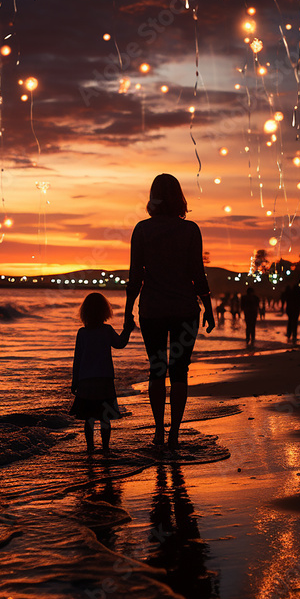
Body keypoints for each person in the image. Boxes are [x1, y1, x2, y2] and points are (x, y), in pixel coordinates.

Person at [124, 173, 215, 451]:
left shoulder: (142, 229)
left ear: (153, 196)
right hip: (185, 311)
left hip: (151, 309)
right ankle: (174, 432)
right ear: (179, 197)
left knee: (157, 370)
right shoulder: (190, 230)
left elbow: (134, 276)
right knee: (179, 372)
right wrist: (209, 308)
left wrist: (127, 312)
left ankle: (158, 432)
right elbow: (197, 275)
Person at [70, 292, 135, 452]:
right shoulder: (106, 330)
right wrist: (127, 330)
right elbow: (120, 344)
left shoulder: (82, 333)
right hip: (104, 380)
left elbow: (77, 359)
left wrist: (74, 381)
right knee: (105, 417)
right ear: (104, 311)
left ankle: (90, 448)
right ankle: (105, 448)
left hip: (86, 381)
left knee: (89, 418)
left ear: (84, 312)